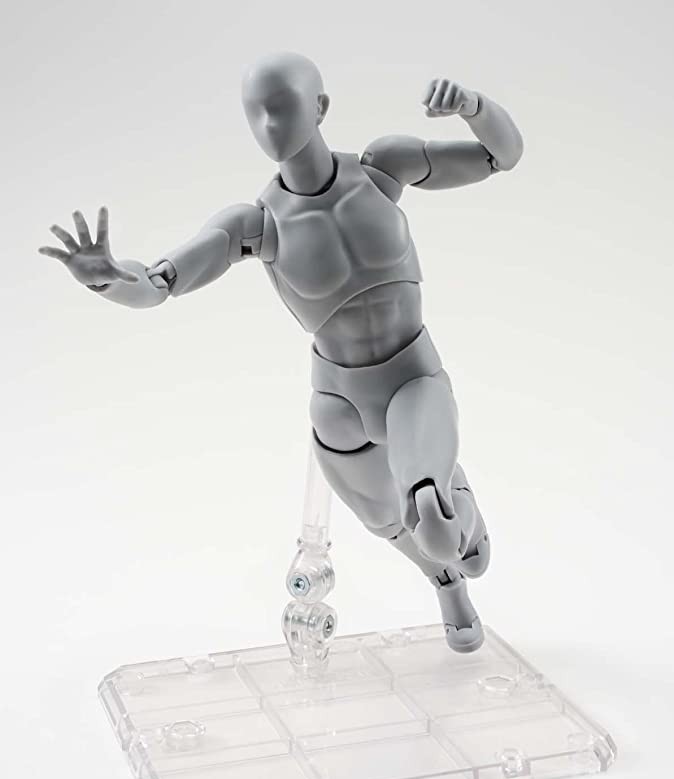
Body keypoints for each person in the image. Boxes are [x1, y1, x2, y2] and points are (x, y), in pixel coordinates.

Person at [39, 51, 523, 652]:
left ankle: (455, 516)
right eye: (257, 114)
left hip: (409, 374)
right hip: (338, 405)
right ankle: (447, 584)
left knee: (428, 500)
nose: (270, 126)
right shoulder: (255, 225)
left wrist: (474, 107)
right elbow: (160, 283)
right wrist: (107, 278)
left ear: (320, 107)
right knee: (389, 523)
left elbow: (499, 156)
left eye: (283, 107)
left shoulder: (382, 169)